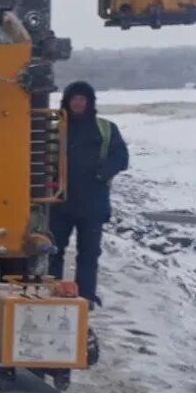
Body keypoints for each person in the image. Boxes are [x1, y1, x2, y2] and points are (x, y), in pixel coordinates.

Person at [48, 81, 129, 306]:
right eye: (74, 98)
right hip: (59, 202)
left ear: (90, 102)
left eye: (82, 99)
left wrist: (103, 174)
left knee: (89, 253)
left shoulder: (106, 128)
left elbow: (121, 158)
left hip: (93, 203)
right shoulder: (54, 128)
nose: (77, 103)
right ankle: (52, 291)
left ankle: (86, 296)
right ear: (67, 101)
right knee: (53, 250)